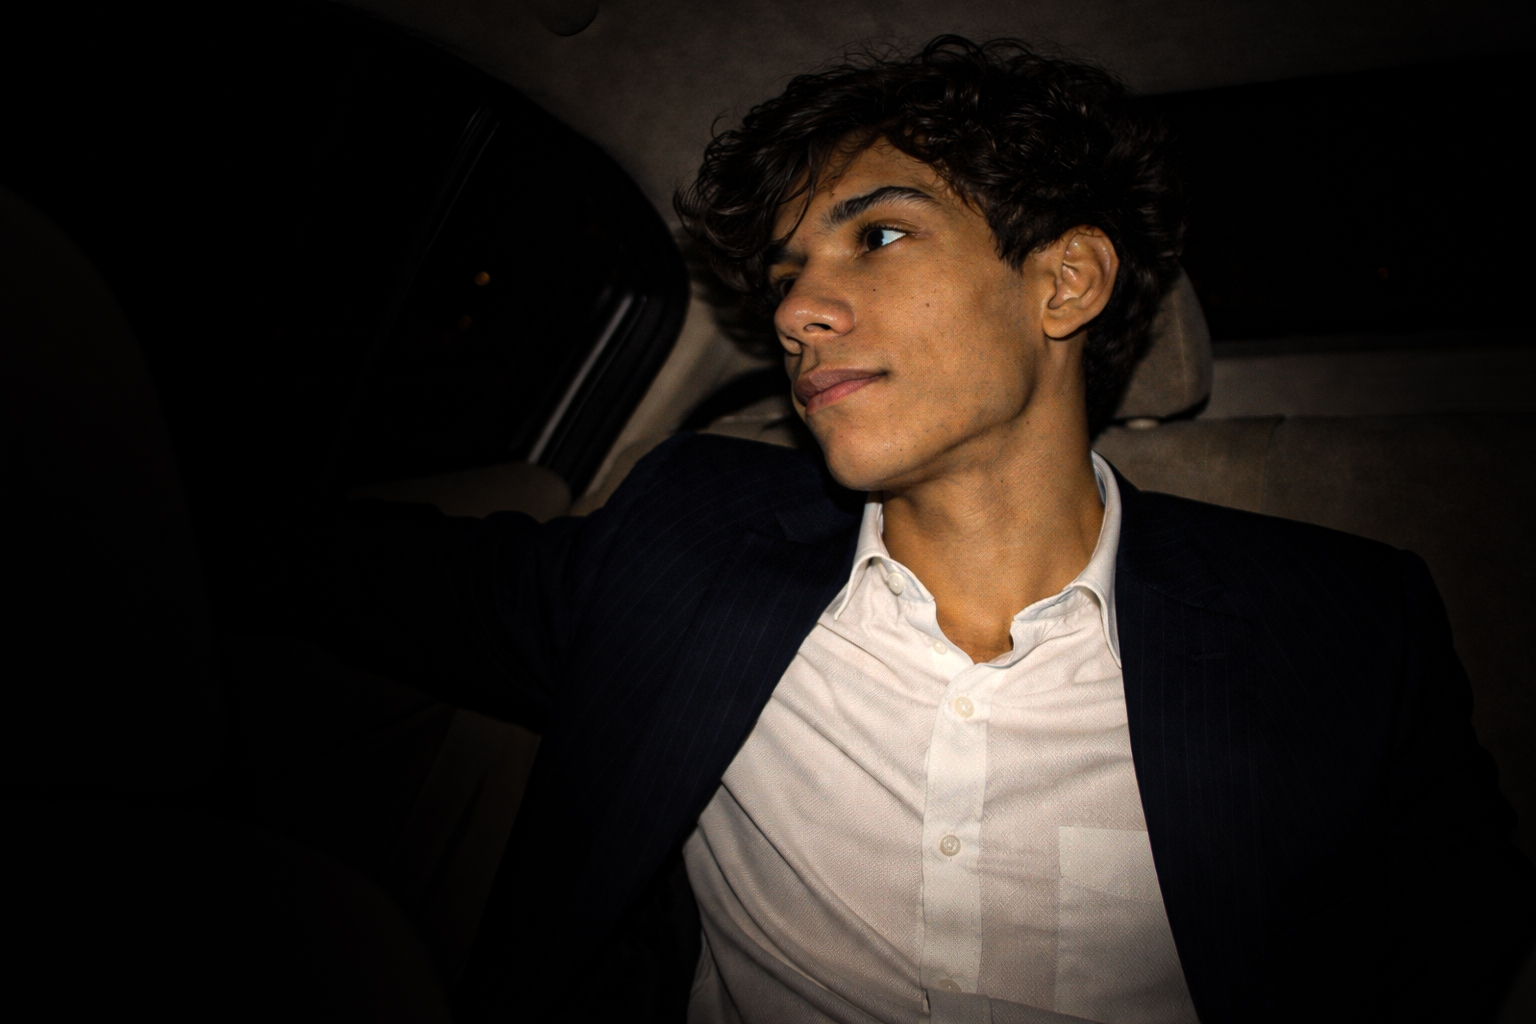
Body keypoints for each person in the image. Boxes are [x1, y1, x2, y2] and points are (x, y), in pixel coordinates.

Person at [318, 36, 1534, 1024]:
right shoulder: (683, 540)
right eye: (784, 275)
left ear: (1065, 282)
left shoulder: (1345, 626)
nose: (797, 310)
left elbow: (1463, 960)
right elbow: (361, 575)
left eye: (879, 234)